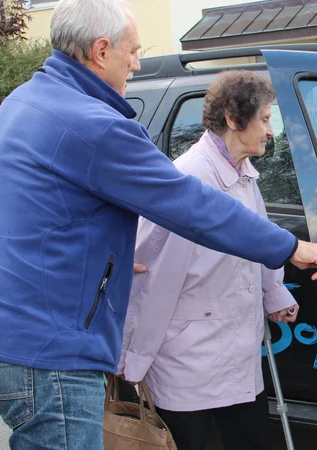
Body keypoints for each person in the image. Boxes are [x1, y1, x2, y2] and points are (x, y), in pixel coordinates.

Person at [0, 0, 317, 449]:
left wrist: (115, 259)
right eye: (133, 51)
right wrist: (289, 248)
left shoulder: (20, 103)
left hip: (3, 342)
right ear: (101, 51)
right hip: (52, 358)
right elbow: (188, 204)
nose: (137, 63)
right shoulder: (92, 126)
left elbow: (50, 217)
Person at [119, 70, 297, 450]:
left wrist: (275, 293)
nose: (270, 132)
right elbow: (149, 275)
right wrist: (132, 358)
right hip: (189, 357)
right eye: (264, 120)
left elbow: (258, 236)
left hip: (235, 349)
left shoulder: (243, 172)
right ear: (233, 119)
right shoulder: (188, 177)